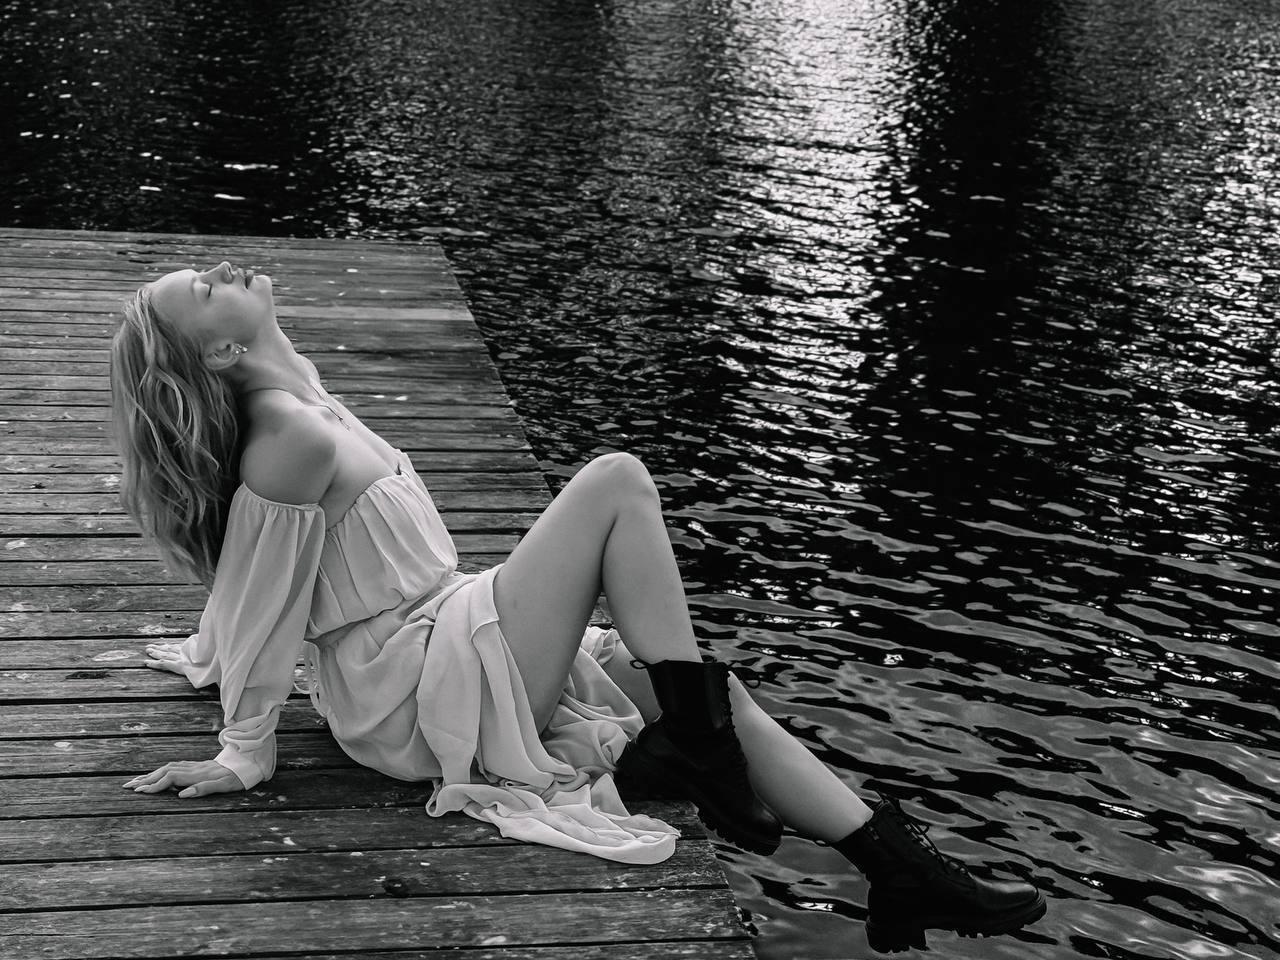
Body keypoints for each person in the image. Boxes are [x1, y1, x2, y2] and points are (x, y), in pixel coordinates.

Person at [109, 260, 1047, 952]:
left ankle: (900, 868)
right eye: (201, 289)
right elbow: (262, 597)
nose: (216, 270)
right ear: (223, 349)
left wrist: (204, 647)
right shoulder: (289, 438)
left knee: (710, 690)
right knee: (614, 482)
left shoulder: (302, 391)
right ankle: (698, 745)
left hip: (451, 634)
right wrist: (244, 748)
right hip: (408, 686)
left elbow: (252, 583)